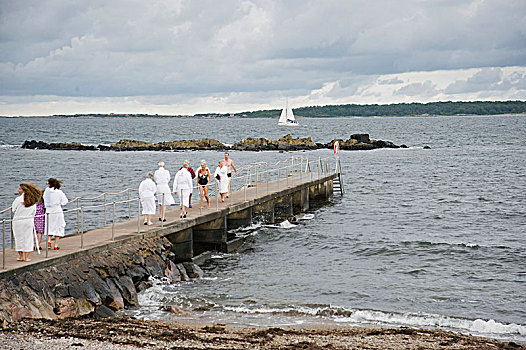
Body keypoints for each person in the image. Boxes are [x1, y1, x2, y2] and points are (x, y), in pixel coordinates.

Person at [12, 183, 40, 262]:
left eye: (20, 189)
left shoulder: (18, 200)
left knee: (18, 238)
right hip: (28, 220)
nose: (18, 190)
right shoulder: (33, 201)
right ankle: (27, 257)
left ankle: (20, 256)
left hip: (18, 220)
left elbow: (13, 209)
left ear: (24, 191)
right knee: (28, 238)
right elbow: (34, 212)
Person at [43, 178, 68, 250]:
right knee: (59, 227)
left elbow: (44, 199)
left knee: (50, 226)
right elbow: (65, 202)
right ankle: (56, 245)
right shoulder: (59, 192)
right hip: (57, 211)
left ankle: (49, 241)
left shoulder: (46, 191)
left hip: (48, 211)